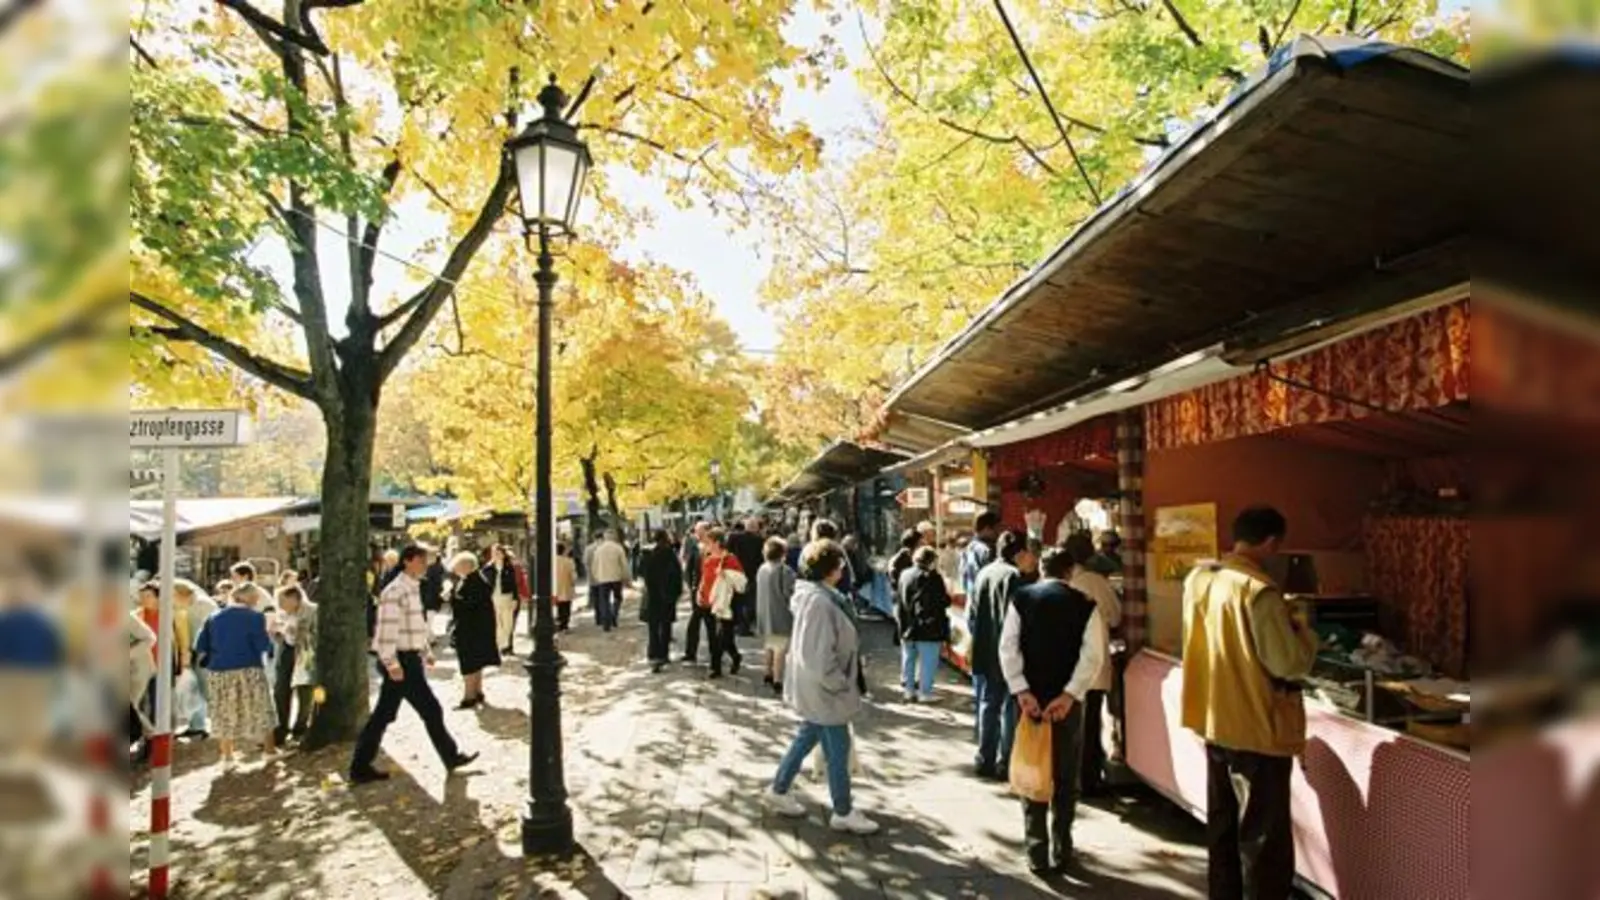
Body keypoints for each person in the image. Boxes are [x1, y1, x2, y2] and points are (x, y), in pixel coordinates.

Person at [1181, 507, 1316, 900]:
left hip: (1213, 719)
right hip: (1256, 727)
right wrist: (1304, 629)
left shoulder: (1199, 579)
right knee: (1263, 840)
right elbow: (1288, 663)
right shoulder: (1259, 591)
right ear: (1271, 542)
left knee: (1223, 829)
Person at [1001, 548, 1107, 874]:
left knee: (1034, 771)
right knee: (1065, 774)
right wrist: (1070, 694)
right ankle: (1063, 847)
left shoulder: (1022, 598)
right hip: (1066, 705)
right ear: (1071, 570)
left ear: (1043, 569)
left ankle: (1036, 850)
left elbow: (1008, 646)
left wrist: (1021, 690)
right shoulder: (1085, 605)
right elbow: (1093, 656)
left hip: (1032, 699)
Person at [765, 538, 879, 834]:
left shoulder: (817, 597)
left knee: (807, 736)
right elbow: (818, 656)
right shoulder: (819, 602)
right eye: (840, 565)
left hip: (817, 687)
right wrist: (840, 683)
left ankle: (779, 789)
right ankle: (842, 809)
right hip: (825, 689)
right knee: (837, 749)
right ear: (831, 569)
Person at [349, 545, 479, 784]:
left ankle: (360, 766)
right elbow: (387, 630)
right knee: (427, 710)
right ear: (408, 561)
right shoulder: (395, 591)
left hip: (408, 659)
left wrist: (425, 650)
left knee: (384, 716)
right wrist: (391, 663)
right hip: (401, 661)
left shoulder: (411, 588)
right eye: (421, 561)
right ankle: (449, 757)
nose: (425, 566)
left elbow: (414, 624)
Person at [968, 530, 1036, 780]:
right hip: (1009, 651)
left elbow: (972, 614)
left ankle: (984, 757)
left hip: (985, 648)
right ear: (1019, 553)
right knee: (1010, 707)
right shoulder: (1015, 577)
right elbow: (1021, 619)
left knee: (988, 704)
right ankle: (1005, 760)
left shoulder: (983, 573)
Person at [1062, 532, 1123, 796]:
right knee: (1090, 724)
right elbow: (1115, 616)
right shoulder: (1096, 582)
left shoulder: (1065, 582)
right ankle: (1088, 778)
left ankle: (1075, 775)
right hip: (1094, 663)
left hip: (1068, 665)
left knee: (1076, 724)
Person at [193, 583, 277, 768]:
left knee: (223, 712)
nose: (257, 602)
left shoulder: (213, 617)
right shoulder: (255, 617)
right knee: (261, 708)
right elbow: (263, 645)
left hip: (219, 670)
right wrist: (270, 635)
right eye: (255, 598)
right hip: (248, 667)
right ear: (248, 599)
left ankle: (227, 757)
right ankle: (269, 751)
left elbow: (201, 645)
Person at [897, 546, 952, 703]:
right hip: (929, 628)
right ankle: (924, 692)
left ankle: (908, 691)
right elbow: (943, 600)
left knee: (909, 658)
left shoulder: (904, 574)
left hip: (907, 625)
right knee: (928, 661)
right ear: (931, 561)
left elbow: (900, 599)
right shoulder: (933, 577)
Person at [446, 551, 499, 709]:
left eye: (457, 566)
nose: (455, 569)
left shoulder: (473, 582)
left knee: (469, 663)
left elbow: (467, 605)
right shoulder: (475, 579)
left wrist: (451, 597)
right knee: (476, 662)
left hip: (471, 630)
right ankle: (477, 692)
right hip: (476, 629)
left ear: (465, 566)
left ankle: (469, 696)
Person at [270, 584, 317, 743]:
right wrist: (276, 633)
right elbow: (281, 633)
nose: (279, 605)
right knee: (280, 690)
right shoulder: (283, 613)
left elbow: (318, 635)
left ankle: (300, 728)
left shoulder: (313, 611)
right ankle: (281, 728)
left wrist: (301, 634)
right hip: (287, 651)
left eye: (282, 601)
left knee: (305, 690)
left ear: (295, 599)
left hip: (306, 653)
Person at [697, 528, 744, 679]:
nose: (706, 545)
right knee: (716, 636)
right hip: (708, 602)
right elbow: (704, 578)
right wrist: (699, 591)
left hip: (725, 604)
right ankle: (723, 662)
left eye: (709, 542)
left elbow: (740, 581)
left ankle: (724, 661)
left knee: (722, 637)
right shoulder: (708, 558)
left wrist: (726, 575)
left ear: (717, 543)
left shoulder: (730, 559)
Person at [755, 536, 796, 695]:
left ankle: (767, 672)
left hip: (764, 610)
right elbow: (790, 592)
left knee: (769, 644)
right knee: (780, 647)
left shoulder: (762, 568)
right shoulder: (784, 571)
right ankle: (778, 680)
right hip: (780, 612)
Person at [640, 530, 683, 673]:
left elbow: (644, 575)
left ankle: (653, 654)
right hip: (668, 597)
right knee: (665, 626)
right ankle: (663, 654)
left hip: (653, 596)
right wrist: (676, 593)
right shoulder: (670, 554)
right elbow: (677, 575)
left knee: (653, 627)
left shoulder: (648, 555)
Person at [727, 518, 766, 637]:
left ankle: (736, 625)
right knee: (749, 601)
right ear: (755, 528)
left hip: (736, 573)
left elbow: (728, 553)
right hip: (751, 574)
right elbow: (761, 559)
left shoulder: (734, 537)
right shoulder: (760, 540)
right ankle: (744, 627)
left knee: (736, 600)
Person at [589, 530, 630, 632]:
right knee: (618, 598)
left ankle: (606, 623)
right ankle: (613, 615)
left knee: (604, 600)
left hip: (603, 578)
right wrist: (626, 577)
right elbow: (624, 564)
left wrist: (596, 576)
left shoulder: (599, 549)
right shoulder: (618, 548)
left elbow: (594, 564)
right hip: (616, 578)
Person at [482, 544, 519, 656]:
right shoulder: (487, 568)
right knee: (496, 625)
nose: (496, 555)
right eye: (494, 553)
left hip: (507, 598)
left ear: (503, 554)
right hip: (493, 599)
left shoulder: (509, 567)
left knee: (508, 625)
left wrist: (515, 599)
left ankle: (505, 644)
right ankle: (498, 647)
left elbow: (514, 585)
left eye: (498, 553)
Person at [961, 511, 1000, 600]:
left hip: (971, 600)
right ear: (987, 529)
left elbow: (963, 579)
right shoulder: (985, 550)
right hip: (985, 601)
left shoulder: (967, 549)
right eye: (996, 529)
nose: (998, 533)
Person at [553, 541, 577, 632]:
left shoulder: (552, 562)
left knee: (558, 606)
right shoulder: (568, 561)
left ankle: (559, 622)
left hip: (555, 587)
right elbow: (573, 576)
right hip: (566, 587)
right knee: (566, 606)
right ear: (563, 551)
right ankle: (564, 624)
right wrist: (573, 583)